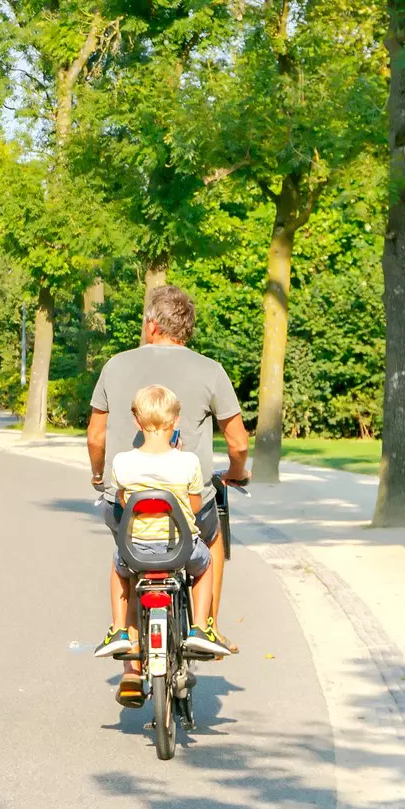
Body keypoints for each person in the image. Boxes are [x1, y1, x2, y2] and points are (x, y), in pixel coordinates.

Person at [88, 284, 250, 659]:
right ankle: (207, 627)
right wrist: (236, 472)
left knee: (128, 554)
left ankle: (130, 666)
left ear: (151, 324)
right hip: (185, 503)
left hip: (127, 502)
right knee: (212, 538)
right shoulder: (211, 370)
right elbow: (239, 443)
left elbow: (96, 437)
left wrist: (99, 476)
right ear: (186, 329)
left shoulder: (115, 365)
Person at [93, 384, 223, 704]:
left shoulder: (123, 462)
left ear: (137, 421)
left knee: (118, 568)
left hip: (137, 549)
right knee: (206, 565)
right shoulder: (188, 462)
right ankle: (199, 628)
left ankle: (119, 630)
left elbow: (124, 500)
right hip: (180, 549)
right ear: (176, 421)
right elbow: (194, 505)